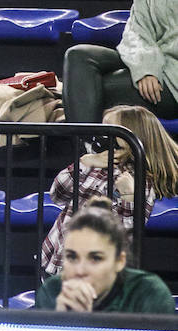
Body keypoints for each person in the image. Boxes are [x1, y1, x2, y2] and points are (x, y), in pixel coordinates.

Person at [40, 104, 178, 278]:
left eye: (110, 130)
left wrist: (129, 195)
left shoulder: (141, 179)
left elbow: (127, 231)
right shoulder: (96, 163)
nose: (102, 136)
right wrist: (83, 163)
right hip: (57, 259)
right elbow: (58, 195)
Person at [35, 196, 174, 314]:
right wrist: (61, 321)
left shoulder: (149, 293)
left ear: (120, 261)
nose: (80, 270)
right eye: (72, 257)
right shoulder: (52, 291)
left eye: (96, 258)